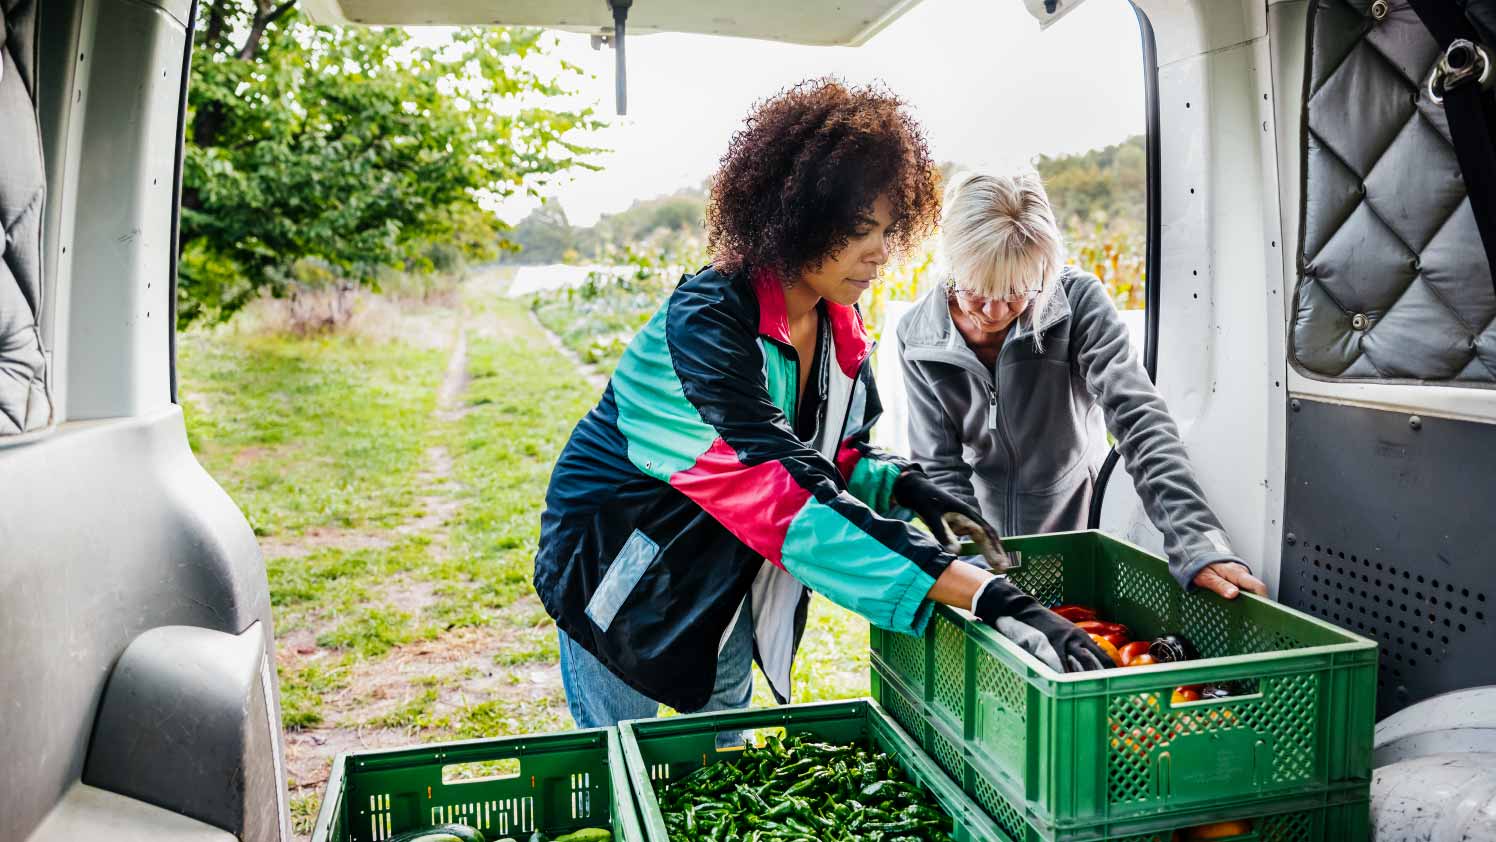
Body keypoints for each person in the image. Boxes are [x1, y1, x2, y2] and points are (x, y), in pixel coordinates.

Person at [533, 81, 1111, 731]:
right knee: (627, 768)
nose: (880, 252)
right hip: (622, 578)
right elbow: (788, 496)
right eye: (859, 229)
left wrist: (913, 490)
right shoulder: (702, 328)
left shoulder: (839, 324)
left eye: (889, 230)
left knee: (719, 766)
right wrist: (991, 595)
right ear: (795, 212)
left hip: (721, 581)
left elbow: (837, 453)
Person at [897, 171, 1267, 600]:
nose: (995, 311)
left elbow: (1138, 420)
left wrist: (1197, 541)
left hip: (1080, 526)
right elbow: (940, 466)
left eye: (1017, 291)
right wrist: (977, 570)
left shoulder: (1078, 303)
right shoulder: (918, 336)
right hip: (982, 529)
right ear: (949, 265)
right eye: (976, 291)